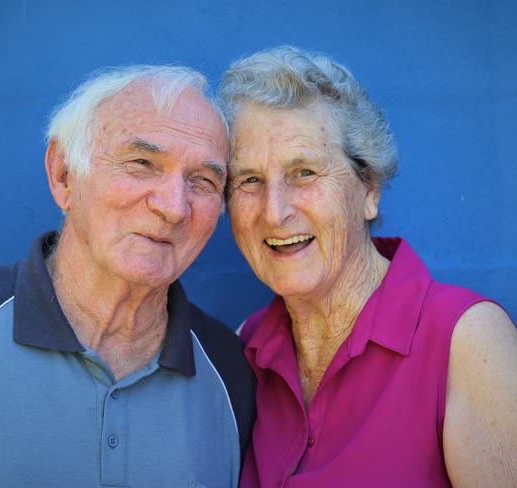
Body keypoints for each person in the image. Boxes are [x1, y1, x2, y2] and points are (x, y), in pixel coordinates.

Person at [0, 65, 256, 488]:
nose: (174, 207)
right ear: (64, 175)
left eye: (202, 181)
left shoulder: (232, 370)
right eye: (142, 163)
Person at [217, 46, 517, 487]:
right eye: (249, 180)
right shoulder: (250, 343)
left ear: (370, 190)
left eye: (304, 172)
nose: (274, 211)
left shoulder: (465, 340)